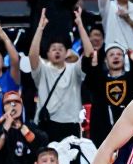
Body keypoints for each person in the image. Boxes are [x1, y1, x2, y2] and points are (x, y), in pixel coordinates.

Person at [28, 8, 92, 142]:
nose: (57, 52)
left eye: (60, 49)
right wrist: (40, 28)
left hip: (71, 123)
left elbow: (89, 54)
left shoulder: (74, 70)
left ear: (67, 52)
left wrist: (80, 24)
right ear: (47, 53)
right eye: (53, 49)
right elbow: (32, 55)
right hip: (46, 123)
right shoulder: (42, 70)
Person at [83, 43, 133, 146]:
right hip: (104, 136)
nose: (116, 56)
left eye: (119, 54)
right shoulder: (100, 81)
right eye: (111, 55)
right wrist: (94, 64)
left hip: (128, 136)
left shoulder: (131, 80)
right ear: (105, 60)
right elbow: (91, 80)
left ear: (124, 58)